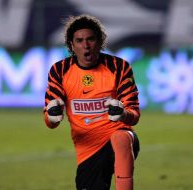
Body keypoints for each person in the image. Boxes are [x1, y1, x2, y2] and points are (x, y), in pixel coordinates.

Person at [43, 14, 140, 190]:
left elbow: (134, 116)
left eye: (90, 39)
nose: (86, 46)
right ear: (72, 45)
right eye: (79, 41)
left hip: (117, 139)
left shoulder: (119, 67)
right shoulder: (60, 70)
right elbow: (50, 121)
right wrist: (52, 116)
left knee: (121, 137)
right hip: (88, 150)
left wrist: (123, 114)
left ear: (100, 41)